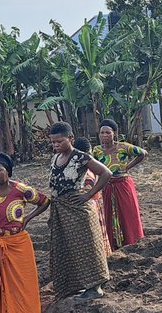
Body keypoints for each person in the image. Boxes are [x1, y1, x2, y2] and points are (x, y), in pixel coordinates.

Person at [0, 153, 50, 313]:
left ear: (8, 171)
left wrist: (27, 218)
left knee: (22, 283)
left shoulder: (21, 189)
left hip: (17, 243)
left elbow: (44, 201)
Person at [47, 122, 112, 299]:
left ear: (70, 138)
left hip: (78, 209)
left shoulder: (81, 157)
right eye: (53, 142)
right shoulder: (55, 158)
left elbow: (106, 173)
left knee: (87, 247)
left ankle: (95, 288)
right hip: (60, 209)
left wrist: (88, 195)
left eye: (59, 141)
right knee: (66, 247)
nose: (56, 145)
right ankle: (74, 286)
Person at [91, 118, 147, 249]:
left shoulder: (123, 147)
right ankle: (114, 242)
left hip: (123, 184)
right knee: (109, 213)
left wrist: (128, 167)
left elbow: (143, 153)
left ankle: (132, 241)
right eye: (102, 133)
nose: (104, 135)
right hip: (107, 186)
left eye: (108, 132)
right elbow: (93, 166)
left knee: (128, 213)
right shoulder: (97, 150)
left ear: (114, 134)